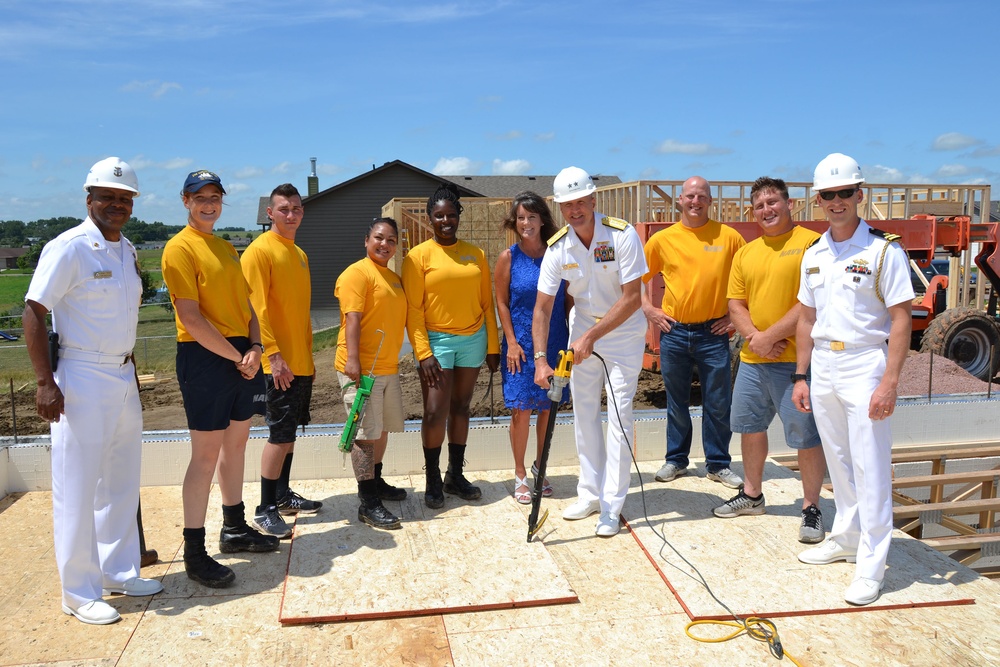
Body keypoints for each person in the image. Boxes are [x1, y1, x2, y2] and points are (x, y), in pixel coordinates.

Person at [23, 157, 162, 625]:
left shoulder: (127, 251)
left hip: (123, 375)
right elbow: (34, 312)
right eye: (108, 196)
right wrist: (45, 383)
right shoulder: (68, 248)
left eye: (125, 199)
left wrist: (131, 374)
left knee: (120, 481)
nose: (117, 205)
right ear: (89, 199)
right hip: (80, 376)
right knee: (78, 487)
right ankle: (78, 592)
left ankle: (118, 571)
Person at [792, 153, 913, 606]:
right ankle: (846, 538)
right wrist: (801, 375)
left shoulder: (884, 251)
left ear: (860, 195)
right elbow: (806, 319)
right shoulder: (814, 253)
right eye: (829, 194)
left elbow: (901, 319)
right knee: (840, 461)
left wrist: (891, 381)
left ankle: (872, 564)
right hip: (823, 364)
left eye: (846, 193)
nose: (838, 201)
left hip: (865, 364)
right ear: (819, 199)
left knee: (871, 466)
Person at [161, 170, 278, 589]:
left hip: (241, 352)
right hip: (206, 356)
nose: (209, 204)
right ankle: (195, 553)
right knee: (206, 455)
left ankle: (234, 528)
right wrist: (238, 356)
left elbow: (247, 305)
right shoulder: (179, 249)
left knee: (237, 443)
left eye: (215, 197)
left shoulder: (226, 247)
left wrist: (256, 348)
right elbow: (191, 318)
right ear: (185, 200)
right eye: (200, 197)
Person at [533, 166, 647, 537]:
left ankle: (611, 507)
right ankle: (590, 493)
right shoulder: (558, 246)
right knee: (583, 413)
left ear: (593, 199)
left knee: (619, 414)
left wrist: (591, 337)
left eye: (581, 202)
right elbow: (543, 308)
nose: (575, 210)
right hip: (581, 329)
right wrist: (539, 358)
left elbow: (633, 299)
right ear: (559, 207)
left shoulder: (621, 234)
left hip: (623, 332)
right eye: (568, 205)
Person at [712, 177, 827, 545]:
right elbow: (735, 304)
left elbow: (809, 303)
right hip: (753, 359)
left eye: (773, 202)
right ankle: (752, 494)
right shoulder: (747, 252)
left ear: (789, 203)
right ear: (753, 211)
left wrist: (770, 337)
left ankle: (811, 508)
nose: (767, 210)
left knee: (805, 437)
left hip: (797, 363)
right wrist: (755, 340)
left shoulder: (811, 244)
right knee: (749, 427)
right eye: (760, 205)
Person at [642, 176, 745, 489]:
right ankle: (676, 459)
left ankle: (718, 464)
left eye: (701, 196)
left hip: (713, 333)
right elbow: (634, 279)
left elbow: (750, 280)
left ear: (710, 201)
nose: (695, 202)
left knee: (718, 401)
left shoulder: (730, 238)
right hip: (674, 331)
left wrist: (735, 318)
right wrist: (649, 309)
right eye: (690, 196)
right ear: (680, 201)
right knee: (677, 400)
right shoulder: (663, 239)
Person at [402, 183, 501, 509]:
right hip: (437, 342)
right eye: (439, 215)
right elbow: (414, 311)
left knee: (461, 407)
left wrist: (492, 346)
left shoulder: (477, 254)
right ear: (431, 218)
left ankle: (454, 475)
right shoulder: (417, 257)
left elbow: (487, 305)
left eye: (451, 214)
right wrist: (423, 353)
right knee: (434, 411)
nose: (446, 220)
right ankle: (431, 478)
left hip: (473, 341)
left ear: (459, 215)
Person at [241, 183, 323, 540]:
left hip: (299, 361)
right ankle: (265, 509)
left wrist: (307, 356)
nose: (291, 215)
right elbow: (255, 309)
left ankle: (283, 495)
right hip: (277, 364)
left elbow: (300, 314)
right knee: (278, 434)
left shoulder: (299, 254)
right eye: (283, 209)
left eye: (296, 209)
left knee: (289, 432)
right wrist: (273, 356)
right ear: (269, 213)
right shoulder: (259, 252)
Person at [494, 191, 571, 504]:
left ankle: (541, 467)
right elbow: (500, 301)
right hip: (520, 347)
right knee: (521, 411)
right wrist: (511, 341)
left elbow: (569, 299)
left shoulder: (559, 253)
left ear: (542, 220)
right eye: (521, 218)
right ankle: (520, 472)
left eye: (531, 217)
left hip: (554, 343)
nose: (526, 223)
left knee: (546, 409)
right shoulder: (508, 258)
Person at [335, 217, 409, 529]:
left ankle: (376, 483)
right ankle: (367, 502)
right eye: (379, 238)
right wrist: (353, 361)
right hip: (362, 370)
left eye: (391, 240)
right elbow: (353, 319)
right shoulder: (357, 273)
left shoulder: (391, 277)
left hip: (387, 367)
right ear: (367, 240)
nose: (385, 244)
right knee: (364, 436)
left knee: (380, 430)